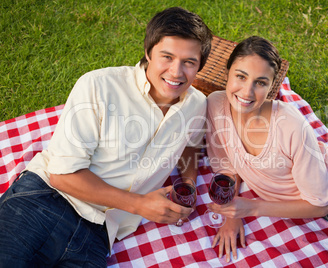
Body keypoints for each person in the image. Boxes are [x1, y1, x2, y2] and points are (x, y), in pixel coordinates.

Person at [0, 7, 212, 267]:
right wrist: (140, 206)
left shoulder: (197, 104)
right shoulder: (98, 86)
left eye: (189, 62)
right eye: (166, 57)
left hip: (99, 234)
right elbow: (62, 175)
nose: (176, 72)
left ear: (200, 65)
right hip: (45, 201)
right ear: (148, 52)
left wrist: (188, 182)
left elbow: (191, 142)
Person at [205, 36, 328, 267]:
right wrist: (231, 213)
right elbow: (226, 166)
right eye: (240, 76)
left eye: (260, 82)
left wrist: (250, 208)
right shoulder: (215, 105)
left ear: (271, 87)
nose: (247, 92)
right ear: (227, 72)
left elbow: (319, 204)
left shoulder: (289, 123)